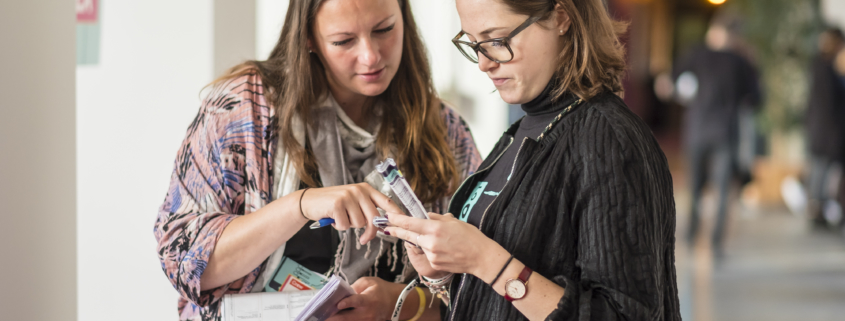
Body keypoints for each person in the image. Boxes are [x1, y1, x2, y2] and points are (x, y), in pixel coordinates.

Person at [153, 0, 482, 320]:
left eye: (384, 29)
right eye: (343, 41)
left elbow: (478, 285)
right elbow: (183, 261)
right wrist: (300, 206)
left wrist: (401, 303)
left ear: (404, 18)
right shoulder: (241, 109)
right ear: (308, 39)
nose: (370, 55)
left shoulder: (444, 130)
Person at [381, 0, 680, 320]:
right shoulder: (522, 131)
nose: (483, 63)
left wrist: (484, 259)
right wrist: (442, 272)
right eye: (473, 42)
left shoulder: (609, 140)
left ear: (560, 17)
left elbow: (624, 314)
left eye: (497, 40)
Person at [672, 15, 760, 254]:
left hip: (698, 130)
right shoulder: (741, 62)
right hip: (725, 132)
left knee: (695, 188)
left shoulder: (696, 55)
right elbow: (755, 98)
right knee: (721, 191)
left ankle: (691, 237)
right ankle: (716, 244)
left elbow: (674, 82)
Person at [805, 28, 845, 228]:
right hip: (829, 131)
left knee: (820, 171)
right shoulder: (830, 67)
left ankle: (818, 212)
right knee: (824, 172)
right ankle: (819, 213)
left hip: (819, 129)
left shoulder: (817, 66)